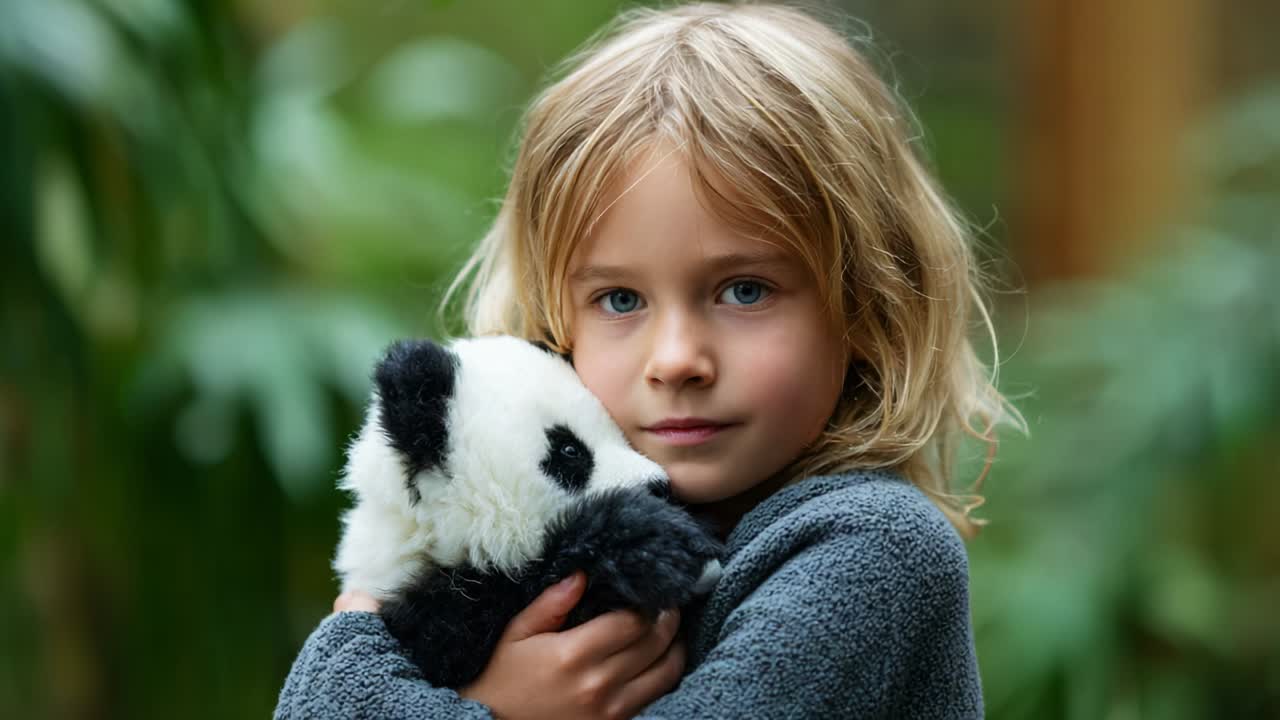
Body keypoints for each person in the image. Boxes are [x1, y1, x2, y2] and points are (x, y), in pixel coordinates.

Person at [275, 2, 1024, 718]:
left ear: (866, 303)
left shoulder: (873, 550)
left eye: (744, 290)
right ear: (555, 319)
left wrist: (380, 668)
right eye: (621, 301)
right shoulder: (555, 536)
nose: (677, 361)